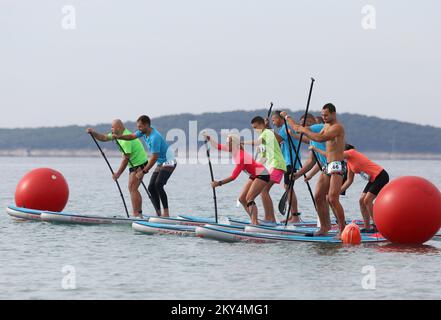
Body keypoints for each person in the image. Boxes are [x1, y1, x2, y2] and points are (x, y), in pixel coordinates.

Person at [289, 103, 347, 238]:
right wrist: (287, 117)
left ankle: (342, 229)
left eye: (326, 115)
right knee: (318, 196)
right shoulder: (326, 126)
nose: (324, 118)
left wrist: (305, 130)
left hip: (337, 164)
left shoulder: (337, 128)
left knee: (332, 198)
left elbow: (319, 138)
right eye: (322, 115)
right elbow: (297, 128)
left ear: (333, 113)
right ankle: (325, 227)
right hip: (327, 165)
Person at [310, 143, 390, 232]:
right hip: (373, 180)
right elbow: (349, 181)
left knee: (367, 200)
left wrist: (315, 149)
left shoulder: (351, 152)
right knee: (361, 201)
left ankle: (377, 225)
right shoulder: (349, 164)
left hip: (381, 176)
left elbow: (332, 156)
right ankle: (367, 227)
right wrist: (337, 192)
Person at [114, 115, 176, 217]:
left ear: (147, 125)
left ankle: (166, 213)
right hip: (161, 163)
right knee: (151, 187)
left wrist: (143, 172)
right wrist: (119, 137)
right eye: (138, 126)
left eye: (140, 126)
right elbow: (131, 136)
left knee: (158, 184)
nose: (139, 129)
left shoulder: (154, 137)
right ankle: (158, 213)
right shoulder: (143, 132)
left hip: (169, 161)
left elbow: (154, 158)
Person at [204, 133, 271, 225]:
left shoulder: (241, 157)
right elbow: (218, 146)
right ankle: (254, 220)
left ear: (234, 144)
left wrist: (218, 183)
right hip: (254, 174)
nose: (226, 144)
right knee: (242, 199)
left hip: (262, 173)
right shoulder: (232, 149)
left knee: (249, 198)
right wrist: (210, 139)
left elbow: (233, 177)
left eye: (228, 143)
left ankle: (255, 223)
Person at [87, 120, 148, 218]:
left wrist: (118, 174)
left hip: (140, 163)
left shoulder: (125, 139)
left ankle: (138, 214)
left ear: (119, 128)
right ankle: (138, 214)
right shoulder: (116, 134)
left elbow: (126, 159)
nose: (111, 129)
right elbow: (104, 138)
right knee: (132, 188)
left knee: (133, 188)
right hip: (133, 164)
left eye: (112, 127)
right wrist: (93, 133)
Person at [243, 116, 287, 223]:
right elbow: (262, 159)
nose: (255, 130)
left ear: (262, 124)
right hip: (272, 166)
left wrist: (243, 143)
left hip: (277, 165)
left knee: (264, 190)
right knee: (264, 190)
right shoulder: (263, 138)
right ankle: (269, 218)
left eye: (256, 127)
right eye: (253, 128)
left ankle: (270, 218)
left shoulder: (267, 132)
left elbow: (257, 142)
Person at [271, 111, 301, 223]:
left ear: (279, 118)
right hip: (287, 161)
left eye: (274, 120)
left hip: (291, 161)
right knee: (287, 187)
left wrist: (268, 130)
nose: (273, 123)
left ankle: (295, 216)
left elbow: (279, 139)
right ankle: (293, 215)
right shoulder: (283, 128)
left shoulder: (286, 126)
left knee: (288, 187)